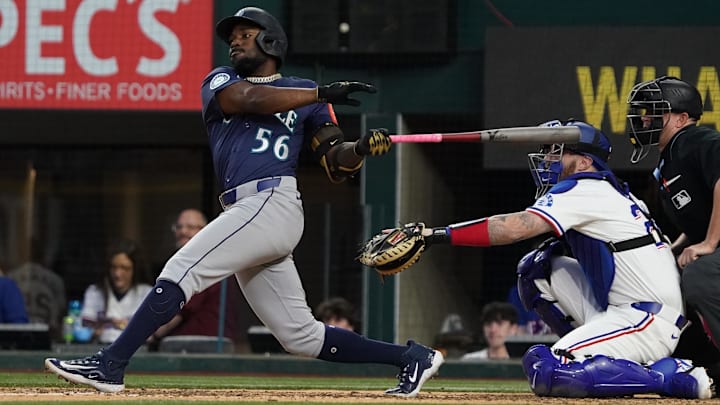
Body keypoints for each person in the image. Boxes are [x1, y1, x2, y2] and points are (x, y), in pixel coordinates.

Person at [45, 6, 442, 398]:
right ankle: (411, 357)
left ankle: (110, 363)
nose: (234, 41)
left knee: (182, 267)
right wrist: (319, 91)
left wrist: (360, 148)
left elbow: (336, 163)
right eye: (231, 36)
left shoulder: (308, 99)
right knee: (300, 336)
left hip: (273, 201)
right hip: (246, 210)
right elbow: (249, 99)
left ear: (270, 40)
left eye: (244, 33)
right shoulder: (223, 81)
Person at [403, 120, 712, 398]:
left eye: (558, 153)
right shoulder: (610, 191)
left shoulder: (587, 188)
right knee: (538, 269)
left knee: (547, 370)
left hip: (646, 320)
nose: (549, 160)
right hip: (626, 309)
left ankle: (669, 377)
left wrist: (435, 235)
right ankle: (595, 358)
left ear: (584, 162)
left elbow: (515, 228)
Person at [627, 75, 720, 383]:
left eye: (656, 112)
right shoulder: (669, 159)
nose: (646, 119)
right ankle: (704, 366)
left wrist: (708, 243)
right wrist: (674, 249)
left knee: (700, 274)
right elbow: (698, 219)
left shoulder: (695, 139)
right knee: (666, 280)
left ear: (682, 119)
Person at [148, 208, 241, 351]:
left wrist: (147, 335)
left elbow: (177, 311)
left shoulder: (206, 262)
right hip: (187, 347)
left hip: (203, 348)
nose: (183, 231)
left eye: (190, 227)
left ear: (205, 231)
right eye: (179, 227)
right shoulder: (187, 262)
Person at [79, 239, 152, 344]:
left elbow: (150, 333)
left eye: (125, 268)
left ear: (135, 269)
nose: (117, 274)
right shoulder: (94, 292)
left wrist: (108, 323)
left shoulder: (146, 293)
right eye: (114, 267)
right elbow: (85, 326)